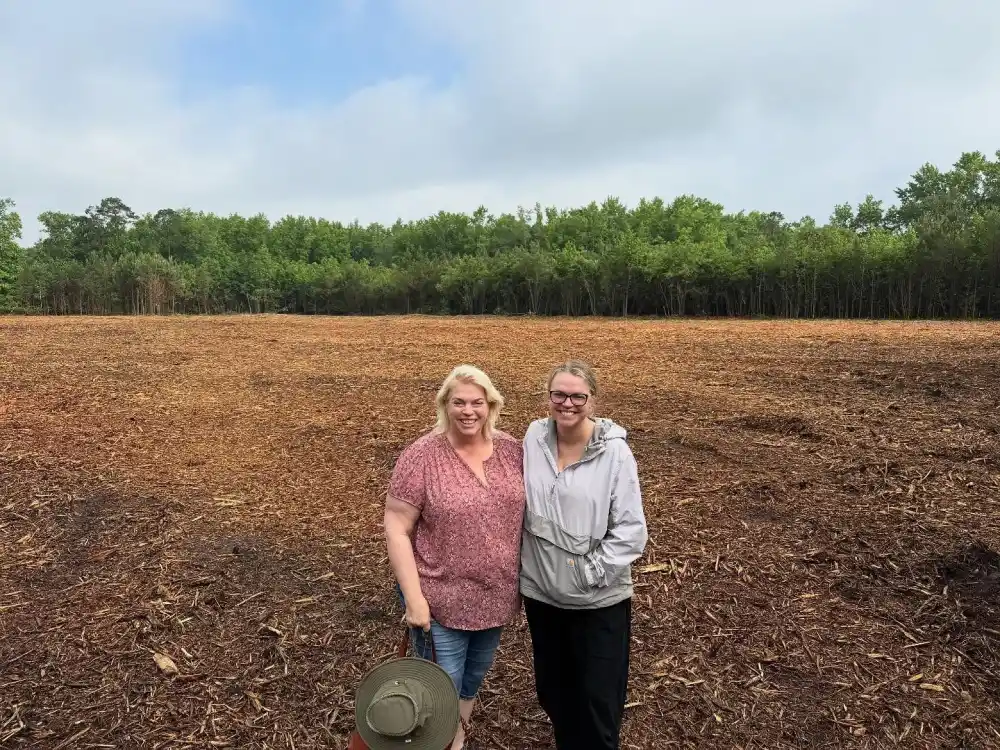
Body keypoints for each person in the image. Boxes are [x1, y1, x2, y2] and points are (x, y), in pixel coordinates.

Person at [384, 364, 525, 750]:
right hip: (439, 599)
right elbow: (397, 527)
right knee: (441, 684)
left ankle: (454, 738)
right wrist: (414, 599)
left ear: (491, 405)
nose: (468, 411)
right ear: (445, 405)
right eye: (459, 402)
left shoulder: (513, 451)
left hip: (495, 596)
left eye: (477, 402)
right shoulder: (422, 456)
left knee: (472, 679)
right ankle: (435, 739)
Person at [519, 359, 648, 750]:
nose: (567, 403)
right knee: (556, 695)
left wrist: (586, 573)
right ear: (547, 397)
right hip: (543, 596)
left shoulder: (615, 454)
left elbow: (631, 531)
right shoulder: (533, 439)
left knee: (597, 702)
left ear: (593, 400)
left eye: (578, 396)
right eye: (559, 394)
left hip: (596, 600)